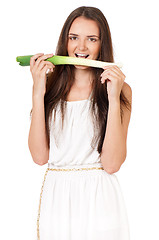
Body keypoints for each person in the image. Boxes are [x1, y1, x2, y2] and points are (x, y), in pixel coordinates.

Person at [28, 6, 132, 240]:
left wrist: (113, 99)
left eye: (91, 39)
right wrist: (37, 92)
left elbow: (112, 163)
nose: (81, 48)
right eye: (73, 38)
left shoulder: (120, 90)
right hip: (57, 203)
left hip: (100, 201)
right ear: (65, 41)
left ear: (102, 44)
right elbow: (39, 157)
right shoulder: (49, 88)